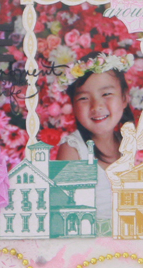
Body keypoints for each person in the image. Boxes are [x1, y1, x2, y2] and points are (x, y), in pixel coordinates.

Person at [56, 52, 135, 220]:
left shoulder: (131, 143)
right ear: (73, 106)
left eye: (106, 94)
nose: (96, 106)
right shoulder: (73, 150)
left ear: (124, 98)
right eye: (84, 98)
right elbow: (67, 215)